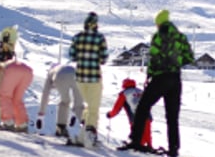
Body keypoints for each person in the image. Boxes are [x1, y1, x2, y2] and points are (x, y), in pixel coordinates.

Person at [122, 9, 194, 157]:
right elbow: (189, 57)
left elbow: (154, 59)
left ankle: (136, 141)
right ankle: (173, 149)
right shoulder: (180, 37)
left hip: (160, 78)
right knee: (172, 116)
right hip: (175, 79)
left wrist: (150, 75)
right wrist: (177, 63)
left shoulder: (158, 37)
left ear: (159, 23)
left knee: (143, 107)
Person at [68, 11, 108, 146]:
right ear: (96, 25)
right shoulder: (100, 38)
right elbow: (104, 59)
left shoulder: (77, 37)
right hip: (94, 78)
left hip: (80, 77)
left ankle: (81, 134)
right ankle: (90, 137)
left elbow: (72, 56)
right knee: (93, 108)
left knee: (86, 107)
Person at [0, 58, 34, 131]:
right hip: (27, 71)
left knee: (5, 97)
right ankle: (22, 125)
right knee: (17, 99)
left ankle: (7, 122)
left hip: (11, 70)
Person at [37, 62, 85, 140]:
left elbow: (45, 94)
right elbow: (79, 99)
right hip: (76, 74)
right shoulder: (62, 66)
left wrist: (40, 115)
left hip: (60, 76)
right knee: (79, 104)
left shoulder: (50, 73)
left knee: (65, 102)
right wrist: (74, 114)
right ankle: (88, 130)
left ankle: (61, 127)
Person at [107, 78, 152, 148]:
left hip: (135, 116)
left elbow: (117, 108)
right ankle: (149, 145)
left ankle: (137, 145)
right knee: (147, 132)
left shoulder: (124, 93)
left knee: (136, 132)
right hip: (147, 115)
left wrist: (110, 114)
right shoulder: (141, 91)